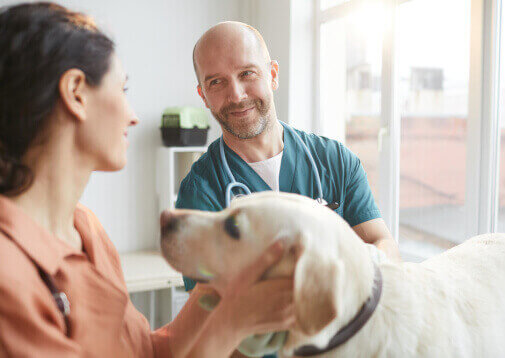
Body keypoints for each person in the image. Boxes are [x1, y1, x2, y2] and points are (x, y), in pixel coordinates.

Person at [0, 3, 295, 357]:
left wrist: (219, 286)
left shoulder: (87, 230)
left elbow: (147, 351)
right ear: (76, 92)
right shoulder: (9, 273)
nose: (133, 116)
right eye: (122, 91)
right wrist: (234, 322)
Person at [177, 20, 401, 307]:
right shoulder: (200, 192)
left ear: (272, 75)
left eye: (247, 73)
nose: (236, 95)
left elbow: (384, 247)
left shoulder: (335, 160)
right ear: (203, 96)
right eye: (216, 82)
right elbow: (207, 305)